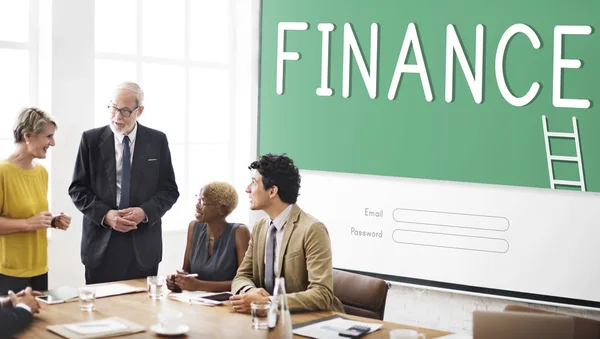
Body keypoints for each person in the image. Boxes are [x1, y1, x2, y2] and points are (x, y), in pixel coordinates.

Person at [69, 81, 179, 284]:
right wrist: (106, 215)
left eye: (126, 111)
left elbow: (169, 190)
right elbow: (77, 189)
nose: (117, 117)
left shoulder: (157, 141)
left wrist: (144, 212)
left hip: (143, 244)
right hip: (101, 243)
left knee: (142, 313)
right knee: (102, 313)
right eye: (113, 108)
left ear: (140, 111)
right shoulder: (90, 140)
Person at [230, 154, 344, 313]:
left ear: (272, 191)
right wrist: (250, 291)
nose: (247, 189)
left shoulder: (312, 229)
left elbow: (322, 294)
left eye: (254, 182)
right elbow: (241, 276)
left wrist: (269, 302)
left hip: (311, 321)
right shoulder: (260, 227)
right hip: (270, 320)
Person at [0, 108, 71, 295]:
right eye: (48, 136)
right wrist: (27, 224)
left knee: (39, 321)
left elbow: (30, 213)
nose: (53, 143)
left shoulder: (41, 172)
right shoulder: (2, 172)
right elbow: (26, 220)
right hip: (8, 271)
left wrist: (53, 221)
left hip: (39, 268)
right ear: (28, 136)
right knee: (13, 323)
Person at [166, 182, 250, 292]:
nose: (197, 205)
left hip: (228, 303)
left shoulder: (239, 232)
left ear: (222, 209)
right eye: (198, 199)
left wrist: (199, 286)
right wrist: (178, 280)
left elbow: (244, 282)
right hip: (195, 302)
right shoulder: (194, 227)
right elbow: (186, 270)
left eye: (203, 201)